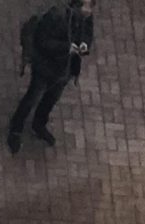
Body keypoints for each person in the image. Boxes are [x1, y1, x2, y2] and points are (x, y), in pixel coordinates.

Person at [7, 0, 94, 154]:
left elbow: (87, 33)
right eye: (85, 5)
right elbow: (43, 42)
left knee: (51, 99)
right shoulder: (56, 16)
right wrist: (67, 48)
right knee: (32, 98)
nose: (88, 10)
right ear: (75, 5)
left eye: (91, 6)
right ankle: (16, 128)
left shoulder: (85, 17)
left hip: (64, 71)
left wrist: (84, 45)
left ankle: (39, 124)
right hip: (44, 68)